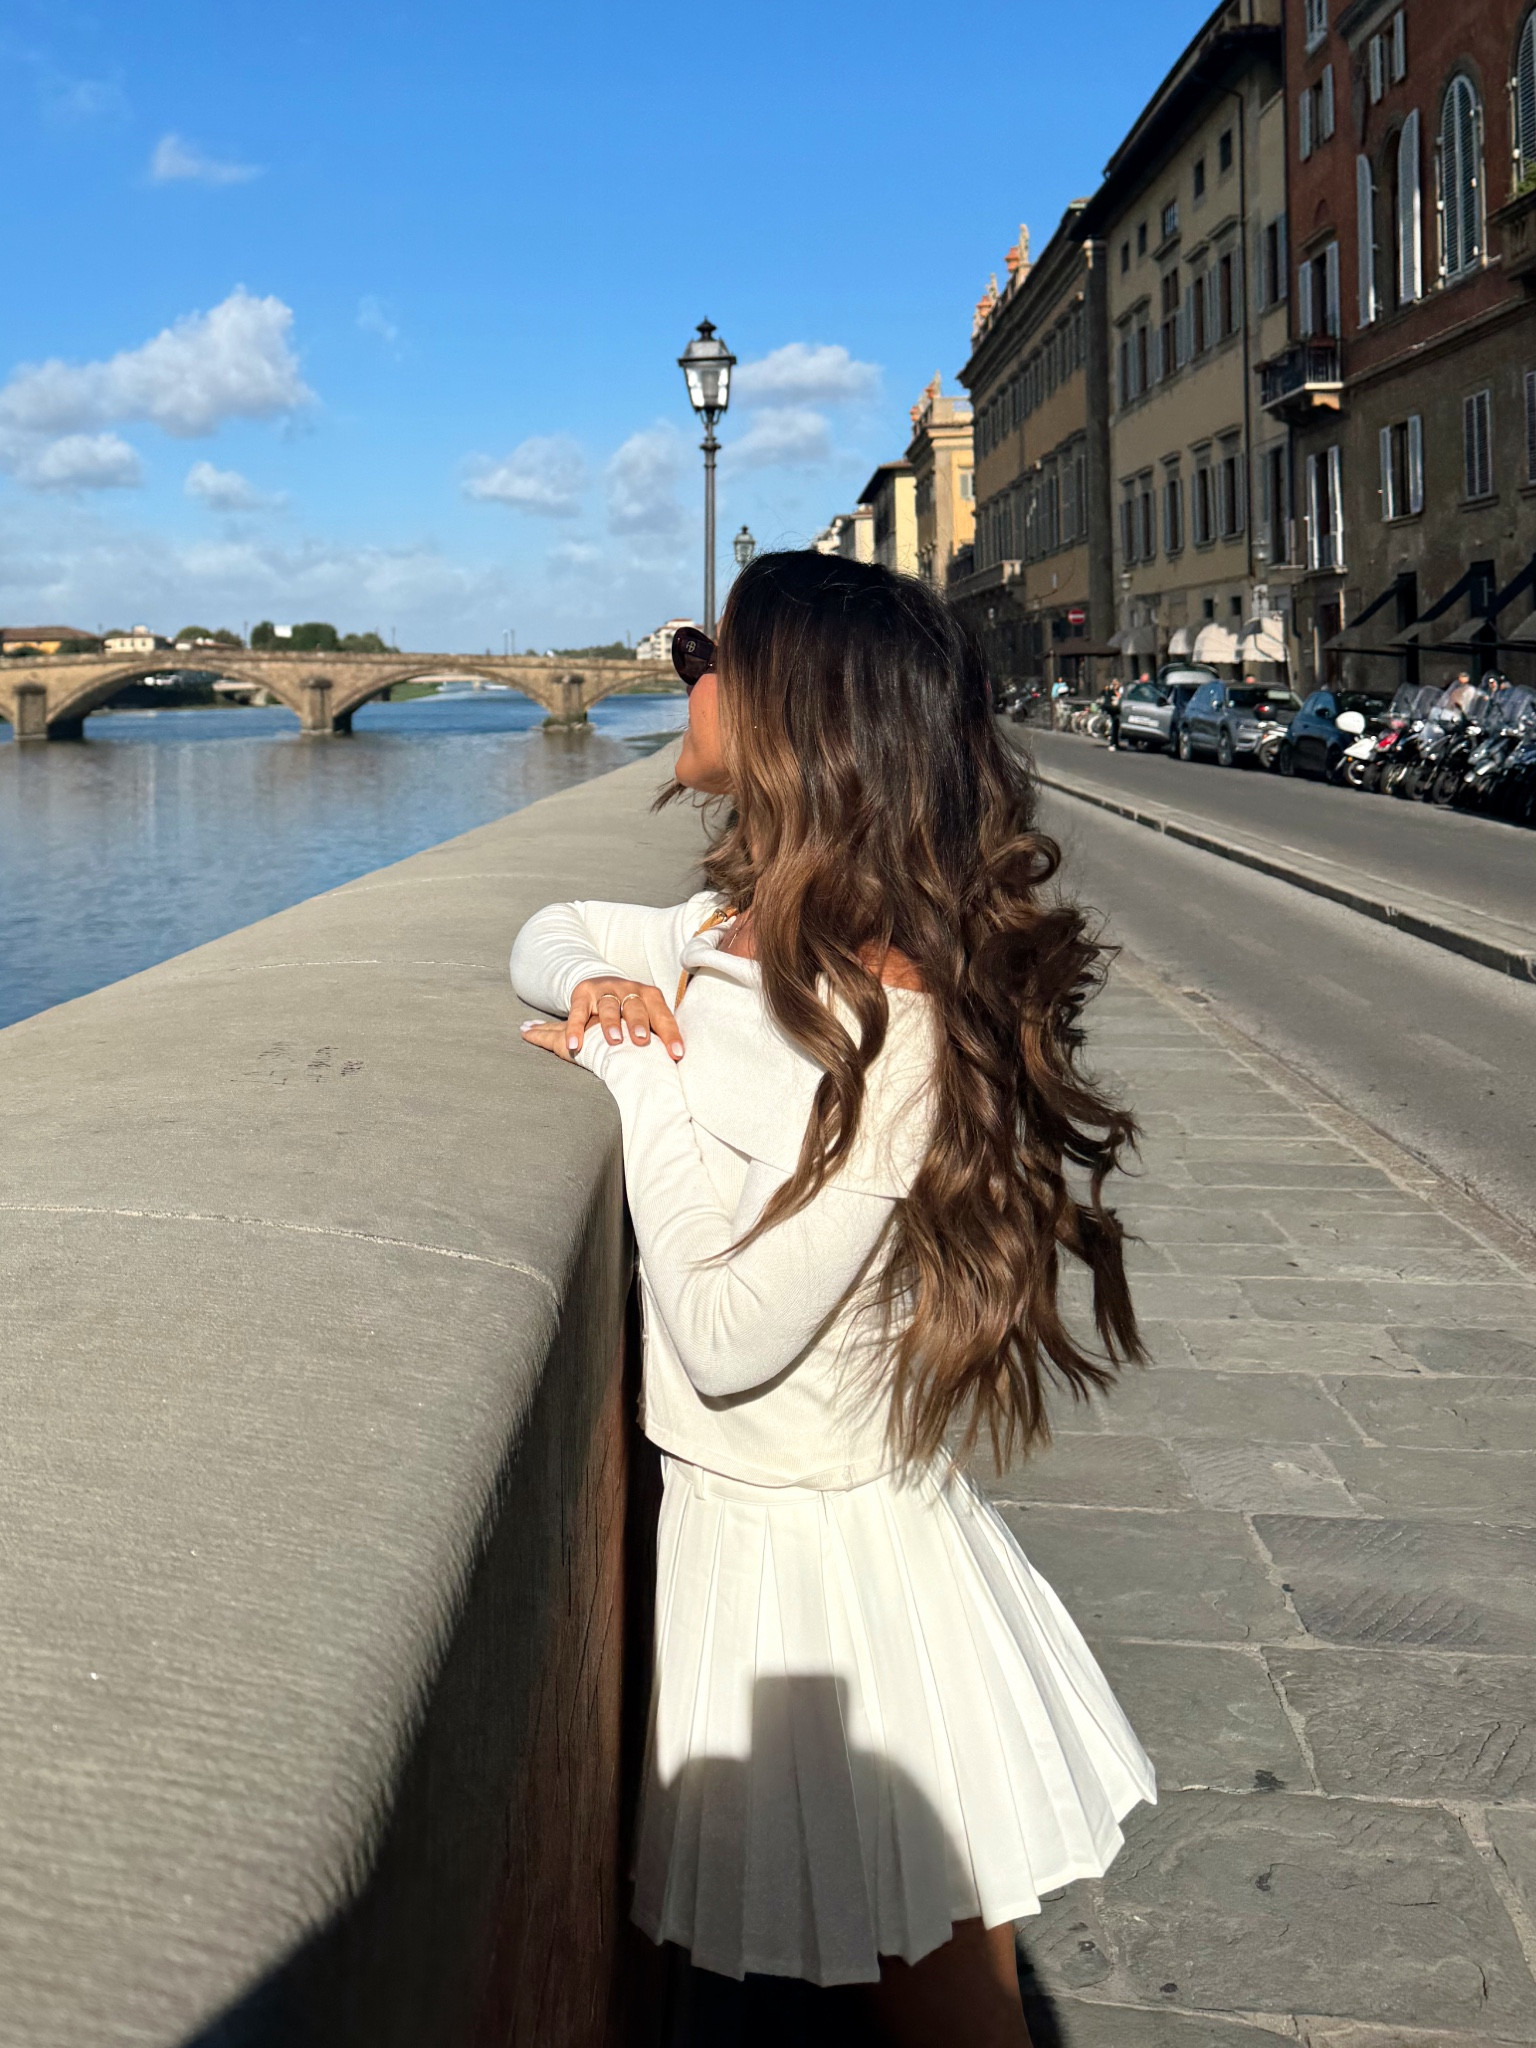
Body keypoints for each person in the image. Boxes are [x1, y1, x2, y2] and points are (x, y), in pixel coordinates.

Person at [511, 552, 1155, 2047]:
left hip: (840, 1568)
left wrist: (634, 1068)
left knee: (941, 2008)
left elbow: (726, 1336)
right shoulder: (734, 942)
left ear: (797, 713)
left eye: (701, 654)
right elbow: (548, 930)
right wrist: (606, 989)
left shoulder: (899, 1035)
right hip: (766, 1531)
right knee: (904, 1978)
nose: (684, 674)